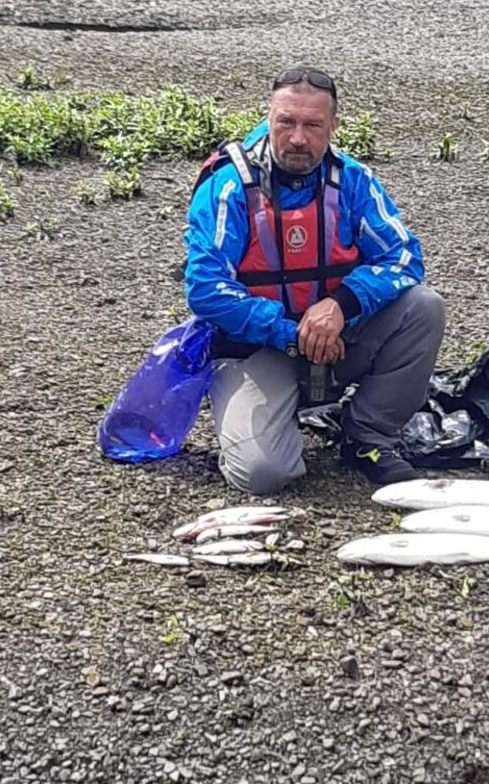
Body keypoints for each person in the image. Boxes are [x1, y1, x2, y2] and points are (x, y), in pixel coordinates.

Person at [184, 66, 445, 495]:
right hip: (259, 349)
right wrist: (293, 333)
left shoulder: (354, 181)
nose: (298, 139)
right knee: (263, 475)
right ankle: (258, 415)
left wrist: (342, 304)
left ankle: (366, 434)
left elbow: (403, 257)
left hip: (339, 336)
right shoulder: (229, 188)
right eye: (286, 122)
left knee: (423, 306)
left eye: (313, 125)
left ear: (333, 126)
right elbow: (206, 289)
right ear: (269, 118)